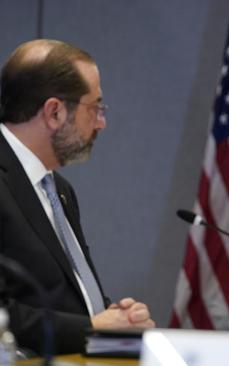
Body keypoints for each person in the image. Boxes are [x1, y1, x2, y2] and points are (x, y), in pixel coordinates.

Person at [0, 39, 155, 354]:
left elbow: (65, 297)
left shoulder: (59, 189)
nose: (101, 122)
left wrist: (117, 318)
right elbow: (4, 315)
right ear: (54, 112)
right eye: (95, 108)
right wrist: (97, 328)